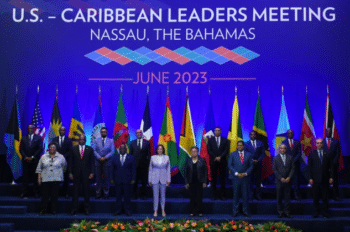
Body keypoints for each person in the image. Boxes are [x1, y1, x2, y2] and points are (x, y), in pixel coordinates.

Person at [36, 142, 67, 215]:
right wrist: (39, 178)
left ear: (56, 148)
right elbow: (39, 168)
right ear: (48, 148)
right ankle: (43, 210)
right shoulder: (43, 156)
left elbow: (64, 167)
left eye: (54, 147)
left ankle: (53, 210)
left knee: (54, 196)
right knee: (45, 196)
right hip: (45, 178)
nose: (52, 148)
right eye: (51, 147)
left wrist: (59, 173)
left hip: (56, 179)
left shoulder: (61, 157)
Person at [69, 135, 94, 215]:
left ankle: (87, 209)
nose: (81, 140)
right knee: (75, 192)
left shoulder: (89, 149)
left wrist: (92, 172)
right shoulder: (73, 148)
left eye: (83, 139)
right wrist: (70, 172)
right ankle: (74, 209)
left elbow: (93, 162)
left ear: (85, 140)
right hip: (76, 173)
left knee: (86, 192)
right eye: (80, 139)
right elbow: (70, 162)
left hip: (86, 174)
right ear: (78, 140)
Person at [309, 138, 333, 218]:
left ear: (323, 144)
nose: (319, 144)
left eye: (321, 143)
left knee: (325, 196)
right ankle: (316, 212)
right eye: (318, 143)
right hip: (315, 178)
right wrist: (310, 178)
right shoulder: (312, 153)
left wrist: (331, 177)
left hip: (325, 178)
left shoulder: (328, 153)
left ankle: (325, 212)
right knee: (316, 196)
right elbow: (309, 167)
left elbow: (331, 166)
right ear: (316, 144)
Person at [228, 141, 253, 218]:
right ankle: (235, 212)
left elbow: (251, 166)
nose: (239, 147)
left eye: (241, 145)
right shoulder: (232, 154)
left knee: (245, 195)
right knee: (236, 195)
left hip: (245, 178)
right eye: (238, 145)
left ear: (243, 146)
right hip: (236, 177)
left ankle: (245, 211)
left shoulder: (249, 155)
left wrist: (245, 173)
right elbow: (230, 165)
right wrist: (236, 173)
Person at [111, 144, 136, 216]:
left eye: (123, 148)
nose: (122, 150)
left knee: (127, 196)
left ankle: (127, 210)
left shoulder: (131, 158)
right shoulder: (114, 157)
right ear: (119, 150)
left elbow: (133, 169)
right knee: (118, 196)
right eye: (120, 149)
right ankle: (118, 210)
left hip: (127, 180)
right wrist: (112, 178)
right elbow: (112, 169)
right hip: (117, 180)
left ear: (126, 149)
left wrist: (133, 179)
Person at [20, 124, 43, 198]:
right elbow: (21, 149)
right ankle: (24, 192)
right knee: (25, 178)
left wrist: (33, 157)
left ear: (34, 129)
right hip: (25, 160)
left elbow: (40, 148)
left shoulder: (38, 137)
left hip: (35, 161)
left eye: (31, 128)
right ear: (27, 129)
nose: (30, 129)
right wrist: (26, 157)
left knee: (35, 177)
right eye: (29, 128)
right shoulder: (23, 138)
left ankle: (36, 192)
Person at [273, 144, 295, 218]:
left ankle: (287, 212)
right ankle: (280, 212)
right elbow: (274, 170)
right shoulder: (275, 158)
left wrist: (289, 177)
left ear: (286, 149)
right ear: (279, 149)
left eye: (284, 148)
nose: (282, 150)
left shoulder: (290, 157)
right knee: (279, 197)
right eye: (281, 148)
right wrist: (280, 178)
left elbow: (292, 168)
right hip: (279, 181)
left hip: (288, 180)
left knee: (287, 197)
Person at [92, 127, 115, 199]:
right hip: (98, 162)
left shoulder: (111, 141)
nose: (103, 133)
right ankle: (98, 194)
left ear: (107, 133)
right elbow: (94, 150)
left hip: (107, 162)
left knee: (106, 179)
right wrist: (99, 157)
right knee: (98, 179)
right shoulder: (96, 141)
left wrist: (105, 158)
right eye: (102, 132)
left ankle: (106, 194)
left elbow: (112, 151)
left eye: (105, 132)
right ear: (100, 133)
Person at [184, 146, 207, 217]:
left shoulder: (202, 160)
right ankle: (192, 212)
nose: (194, 153)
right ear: (191, 152)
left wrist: (204, 182)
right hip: (191, 182)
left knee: (199, 197)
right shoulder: (188, 160)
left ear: (198, 152)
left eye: (195, 151)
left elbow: (205, 172)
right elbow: (186, 172)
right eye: (193, 151)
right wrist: (186, 182)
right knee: (192, 197)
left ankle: (200, 212)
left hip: (199, 181)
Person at [149, 144, 171, 217]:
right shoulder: (153, 157)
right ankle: (155, 210)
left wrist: (168, 179)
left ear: (163, 150)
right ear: (157, 150)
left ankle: (163, 210)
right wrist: (150, 179)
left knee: (163, 196)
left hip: (163, 179)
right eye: (158, 149)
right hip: (154, 179)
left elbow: (168, 170)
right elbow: (150, 170)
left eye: (161, 149)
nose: (160, 150)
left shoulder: (167, 157)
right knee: (155, 196)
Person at [207, 127, 229, 200]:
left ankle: (222, 196)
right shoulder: (210, 140)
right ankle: (214, 195)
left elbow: (226, 151)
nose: (217, 132)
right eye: (215, 130)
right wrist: (215, 157)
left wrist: (220, 157)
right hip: (213, 162)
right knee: (214, 180)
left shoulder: (225, 140)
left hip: (222, 162)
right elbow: (209, 150)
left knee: (222, 179)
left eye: (218, 130)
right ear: (214, 132)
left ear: (221, 131)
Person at [129, 129, 151, 199]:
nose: (139, 134)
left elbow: (149, 155)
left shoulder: (147, 143)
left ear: (142, 133)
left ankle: (144, 195)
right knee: (134, 181)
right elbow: (130, 155)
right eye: (137, 132)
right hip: (135, 166)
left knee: (144, 181)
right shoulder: (132, 143)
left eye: (140, 132)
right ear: (135, 134)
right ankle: (134, 195)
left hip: (144, 166)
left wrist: (149, 165)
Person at [51, 126, 72, 198]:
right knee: (56, 178)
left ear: (65, 131)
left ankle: (66, 192)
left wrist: (62, 157)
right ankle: (56, 193)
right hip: (56, 161)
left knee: (65, 178)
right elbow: (52, 150)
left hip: (65, 161)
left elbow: (70, 151)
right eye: (60, 130)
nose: (62, 131)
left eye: (63, 130)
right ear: (59, 131)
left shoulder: (68, 140)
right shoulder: (54, 139)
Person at [245, 130, 265, 200]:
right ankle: (250, 196)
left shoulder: (260, 143)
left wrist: (258, 160)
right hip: (250, 165)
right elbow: (245, 154)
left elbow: (263, 153)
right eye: (251, 134)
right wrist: (251, 160)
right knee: (250, 181)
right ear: (249, 136)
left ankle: (258, 195)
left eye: (254, 134)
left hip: (258, 165)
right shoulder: (246, 144)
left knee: (258, 181)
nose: (253, 136)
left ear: (255, 136)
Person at [282, 129, 301, 200]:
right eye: (289, 133)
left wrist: (293, 161)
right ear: (287, 134)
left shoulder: (297, 142)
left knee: (296, 181)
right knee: (287, 181)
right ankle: (288, 196)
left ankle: (296, 195)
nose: (290, 134)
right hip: (287, 165)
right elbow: (283, 153)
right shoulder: (284, 142)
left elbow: (299, 153)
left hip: (295, 165)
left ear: (293, 134)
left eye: (291, 133)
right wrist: (289, 161)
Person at [323, 128, 340, 201]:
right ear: (325, 132)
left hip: (334, 165)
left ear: (331, 132)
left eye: (330, 131)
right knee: (325, 182)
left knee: (335, 181)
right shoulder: (322, 142)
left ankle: (335, 196)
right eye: (327, 131)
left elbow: (338, 153)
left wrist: (333, 163)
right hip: (325, 165)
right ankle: (326, 196)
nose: (328, 133)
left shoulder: (336, 141)